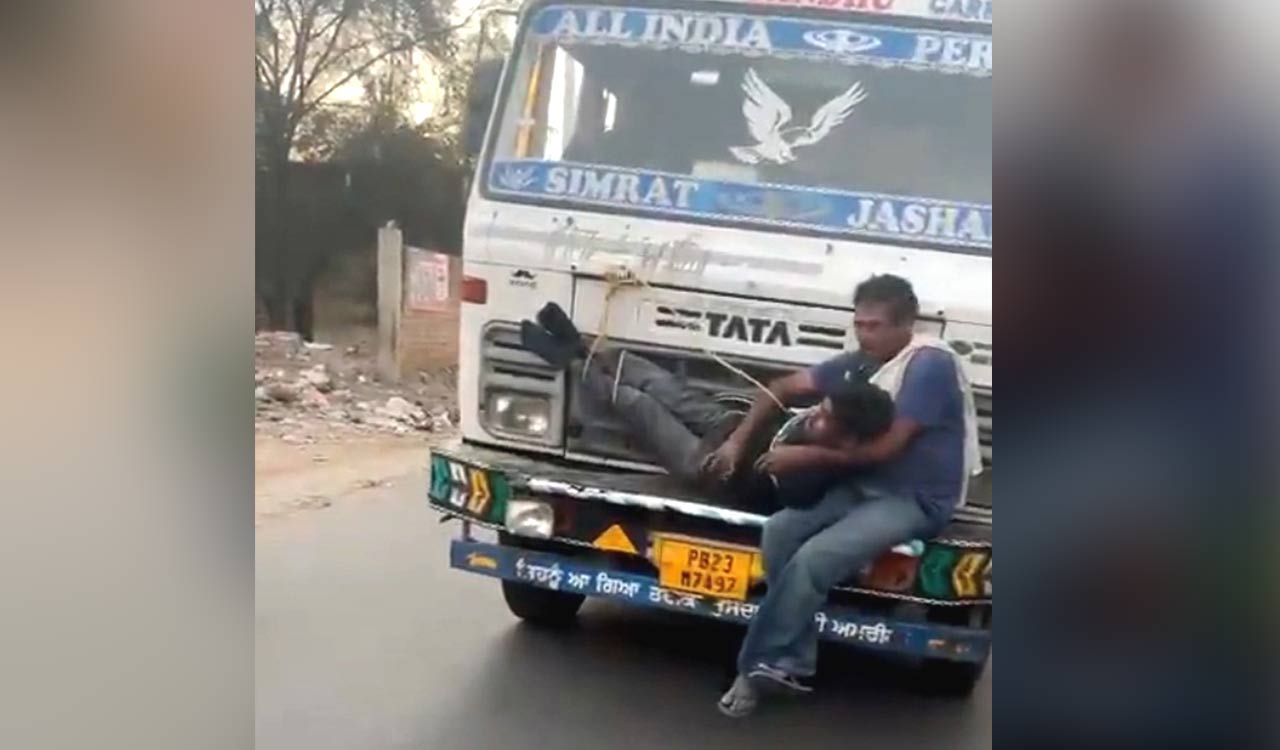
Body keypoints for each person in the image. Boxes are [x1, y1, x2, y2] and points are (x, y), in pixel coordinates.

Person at [709, 274, 981, 717]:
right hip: (864, 486)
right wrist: (737, 442)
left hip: (913, 498)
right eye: (859, 324)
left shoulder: (928, 365)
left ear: (904, 325)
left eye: (875, 326)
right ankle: (794, 660)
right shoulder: (862, 363)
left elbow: (887, 448)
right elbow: (781, 388)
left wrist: (804, 456)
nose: (864, 334)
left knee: (815, 559)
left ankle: (755, 666)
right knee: (779, 531)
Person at [518, 303, 896, 514]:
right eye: (821, 408)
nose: (815, 415)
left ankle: (566, 359)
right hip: (729, 428)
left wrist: (734, 450)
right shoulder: (833, 419)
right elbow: (778, 392)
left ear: (847, 439)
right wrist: (738, 437)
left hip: (711, 465)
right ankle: (583, 346)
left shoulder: (809, 476)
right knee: (654, 379)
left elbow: (784, 467)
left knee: (638, 404)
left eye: (826, 419)